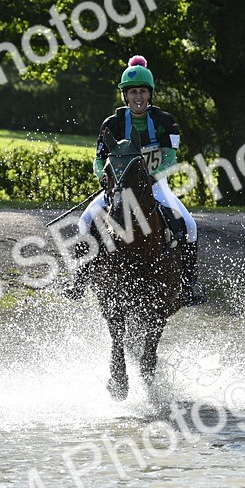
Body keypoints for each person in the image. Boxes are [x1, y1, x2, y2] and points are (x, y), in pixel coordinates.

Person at [64, 55, 204, 305]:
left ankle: (187, 286)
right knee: (85, 222)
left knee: (190, 226)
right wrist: (102, 178)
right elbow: (99, 159)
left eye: (142, 92)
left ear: (149, 94)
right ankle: (80, 280)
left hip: (155, 185)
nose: (137, 97)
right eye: (132, 92)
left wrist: (152, 177)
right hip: (117, 187)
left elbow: (170, 157)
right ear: (125, 96)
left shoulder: (165, 122)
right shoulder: (112, 124)